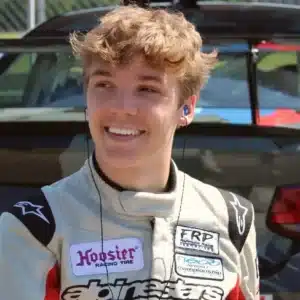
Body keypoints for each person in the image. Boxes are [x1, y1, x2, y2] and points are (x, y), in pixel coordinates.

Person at [0, 4, 260, 300]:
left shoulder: (233, 220)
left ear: (186, 107)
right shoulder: (37, 226)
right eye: (104, 84)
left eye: (147, 89)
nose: (121, 108)